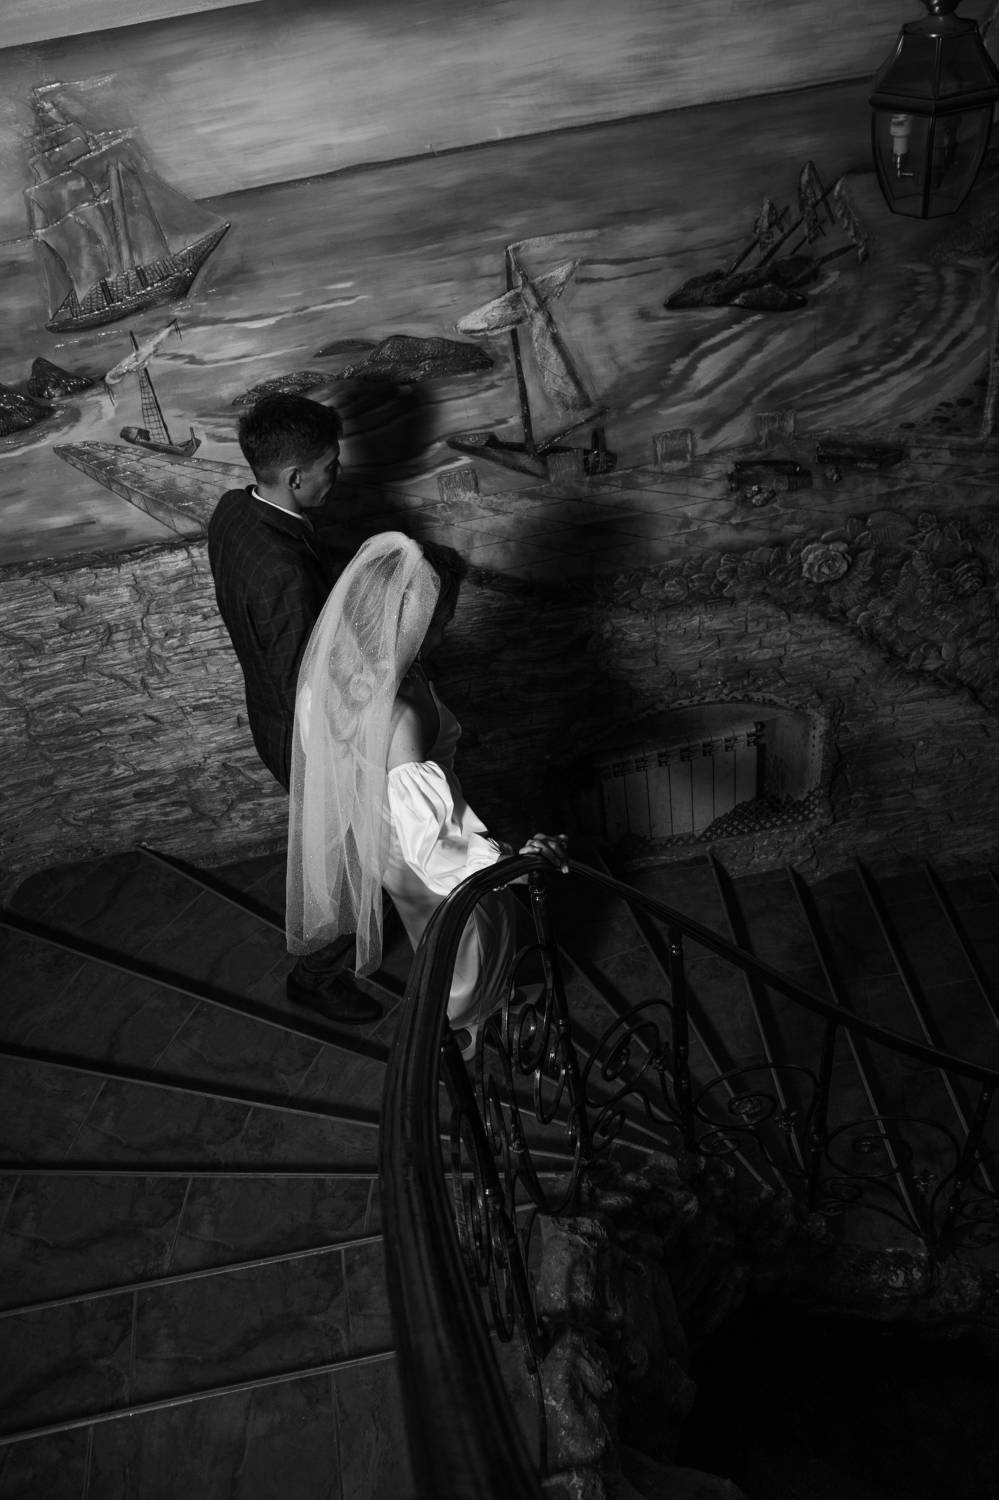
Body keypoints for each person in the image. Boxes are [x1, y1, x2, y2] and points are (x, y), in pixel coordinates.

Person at [287, 532, 567, 1055]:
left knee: (434, 939)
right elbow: (435, 851)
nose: (442, 634)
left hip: (379, 837)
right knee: (471, 940)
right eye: (439, 623)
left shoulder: (328, 677)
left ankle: (477, 1014)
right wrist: (511, 863)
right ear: (406, 623)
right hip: (423, 856)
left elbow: (330, 765)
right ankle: (469, 1027)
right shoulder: (400, 718)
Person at [207, 393, 381, 1025]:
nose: (339, 474)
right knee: (347, 859)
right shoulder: (282, 573)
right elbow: (300, 689)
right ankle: (316, 976)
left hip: (268, 715)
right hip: (305, 738)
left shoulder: (234, 509)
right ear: (296, 476)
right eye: (331, 465)